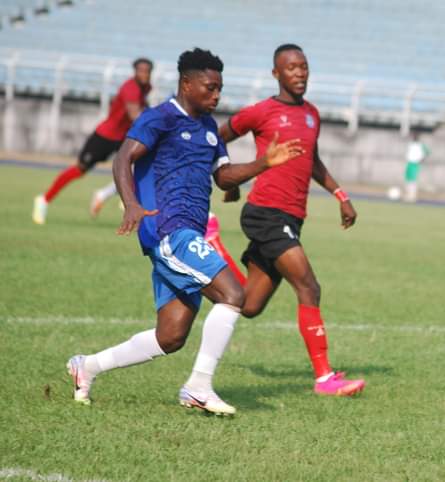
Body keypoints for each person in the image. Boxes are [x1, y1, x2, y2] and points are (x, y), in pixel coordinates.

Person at [66, 48, 303, 416]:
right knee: (234, 294)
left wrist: (264, 163)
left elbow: (223, 177)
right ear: (187, 84)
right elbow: (124, 156)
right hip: (169, 231)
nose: (216, 95)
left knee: (171, 336)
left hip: (189, 234)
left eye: (220, 88)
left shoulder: (209, 129)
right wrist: (131, 203)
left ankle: (87, 366)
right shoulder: (160, 117)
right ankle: (198, 387)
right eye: (210, 88)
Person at [218, 44, 365, 396]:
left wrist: (340, 195)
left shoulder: (312, 114)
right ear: (276, 73)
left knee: (248, 305)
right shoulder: (261, 111)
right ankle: (324, 378)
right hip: (266, 214)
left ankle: (212, 244)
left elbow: (313, 161)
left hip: (292, 217)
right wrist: (229, 178)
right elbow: (217, 139)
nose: (299, 73)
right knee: (309, 286)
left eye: (304, 66)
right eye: (291, 67)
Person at [32, 58, 154, 224]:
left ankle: (116, 196)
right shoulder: (130, 88)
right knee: (80, 169)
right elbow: (135, 116)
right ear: (135, 72)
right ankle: (44, 200)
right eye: (141, 71)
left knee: (139, 164)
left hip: (124, 137)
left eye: (147, 71)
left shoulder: (146, 88)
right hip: (106, 136)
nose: (144, 74)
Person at [403, 130, 430, 203]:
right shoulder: (411, 144)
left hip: (415, 164)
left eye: (415, 136)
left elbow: (427, 152)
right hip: (409, 163)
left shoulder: (421, 145)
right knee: (408, 179)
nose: (414, 137)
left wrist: (422, 159)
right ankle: (408, 195)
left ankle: (412, 196)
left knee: (413, 180)